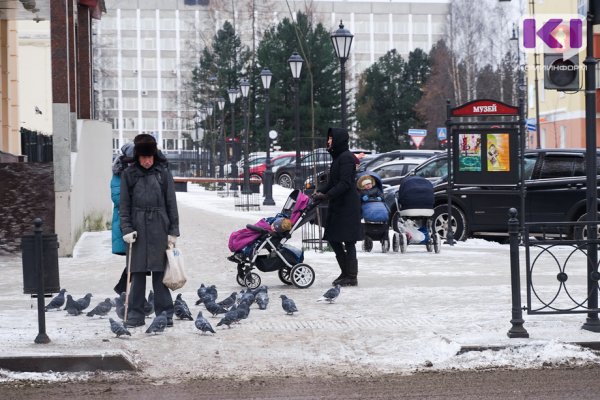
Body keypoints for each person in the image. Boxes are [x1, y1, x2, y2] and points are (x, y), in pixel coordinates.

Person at [120, 134, 180, 328]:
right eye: (143, 157)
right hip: (137, 227)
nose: (146, 161)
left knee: (159, 272)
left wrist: (173, 230)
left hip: (159, 226)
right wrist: (127, 228)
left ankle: (165, 313)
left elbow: (171, 203)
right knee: (136, 272)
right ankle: (136, 313)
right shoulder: (129, 175)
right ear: (137, 157)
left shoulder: (163, 173)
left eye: (149, 157)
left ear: (154, 156)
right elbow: (124, 206)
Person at [312, 127, 363, 287]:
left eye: (331, 139)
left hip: (347, 207)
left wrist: (327, 195)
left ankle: (351, 275)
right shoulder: (339, 157)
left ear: (339, 140)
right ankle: (345, 271)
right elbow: (333, 182)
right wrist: (319, 191)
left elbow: (345, 183)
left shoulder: (346, 158)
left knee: (348, 241)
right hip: (339, 205)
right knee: (333, 239)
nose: (328, 141)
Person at [111, 143, 134, 295]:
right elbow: (117, 198)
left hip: (138, 221)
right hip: (125, 223)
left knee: (137, 261)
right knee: (134, 261)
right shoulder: (119, 173)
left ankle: (125, 290)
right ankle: (123, 290)